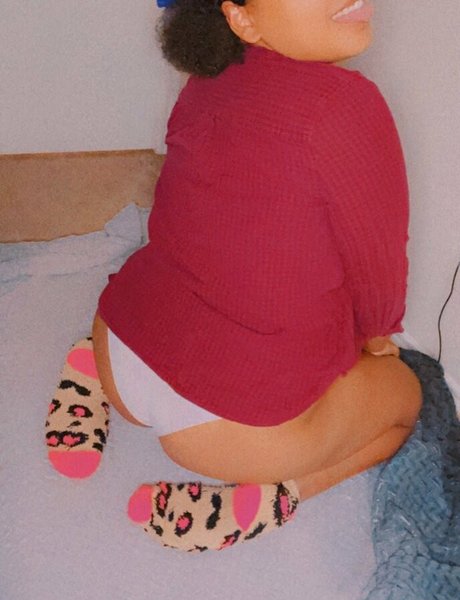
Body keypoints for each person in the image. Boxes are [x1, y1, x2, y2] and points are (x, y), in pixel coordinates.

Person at [45, 0, 423, 553]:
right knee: (405, 403)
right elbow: (379, 261)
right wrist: (377, 335)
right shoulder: (347, 104)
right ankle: (276, 500)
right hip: (231, 434)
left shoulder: (204, 81)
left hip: (122, 342)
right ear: (241, 18)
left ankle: (89, 371)